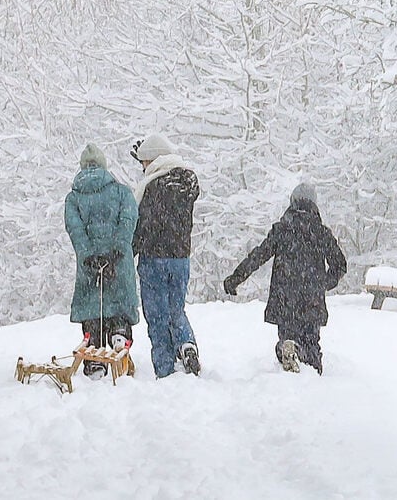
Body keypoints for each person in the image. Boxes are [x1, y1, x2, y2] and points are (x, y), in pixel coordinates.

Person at [222, 183, 346, 374]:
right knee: (312, 346)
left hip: (284, 298)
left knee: (287, 335)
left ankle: (287, 348)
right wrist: (322, 284)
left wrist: (235, 279)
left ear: (292, 202)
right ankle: (307, 362)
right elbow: (340, 265)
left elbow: (258, 256)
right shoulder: (321, 233)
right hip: (311, 300)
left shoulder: (282, 229)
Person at [64, 144, 140, 379]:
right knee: (118, 307)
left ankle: (94, 357)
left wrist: (90, 257)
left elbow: (75, 230)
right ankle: (119, 335)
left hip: (89, 268)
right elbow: (128, 221)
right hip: (118, 265)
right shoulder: (121, 192)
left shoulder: (73, 198)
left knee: (92, 311)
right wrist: (115, 252)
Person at [130, 134, 201, 378]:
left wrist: (130, 251)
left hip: (154, 259)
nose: (143, 168)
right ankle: (186, 343)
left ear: (154, 161)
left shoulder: (152, 187)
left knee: (157, 316)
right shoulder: (188, 182)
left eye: (145, 162)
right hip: (181, 258)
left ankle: (166, 370)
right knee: (176, 309)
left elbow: (144, 225)